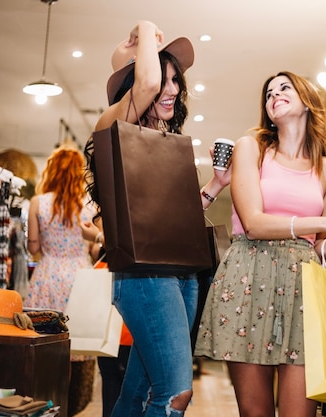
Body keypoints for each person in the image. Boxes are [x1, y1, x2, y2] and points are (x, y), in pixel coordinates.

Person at [194, 71, 326, 417]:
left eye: (284, 88)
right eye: (268, 93)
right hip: (248, 279)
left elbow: (318, 248)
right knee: (256, 413)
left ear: (307, 101)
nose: (274, 94)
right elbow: (254, 223)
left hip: (302, 290)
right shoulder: (252, 149)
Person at [82, 20, 230, 417]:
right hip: (144, 277)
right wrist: (145, 28)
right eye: (162, 80)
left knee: (137, 392)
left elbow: (173, 219)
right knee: (175, 392)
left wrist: (215, 186)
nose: (172, 90)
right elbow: (145, 84)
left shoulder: (166, 142)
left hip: (182, 275)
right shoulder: (112, 125)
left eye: (176, 81)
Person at [24, 145, 99, 415]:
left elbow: (33, 246)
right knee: (78, 343)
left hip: (47, 275)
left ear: (51, 171)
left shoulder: (38, 203)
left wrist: (47, 244)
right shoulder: (88, 206)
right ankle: (72, 404)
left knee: (46, 341)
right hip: (81, 278)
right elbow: (95, 248)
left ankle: (47, 402)